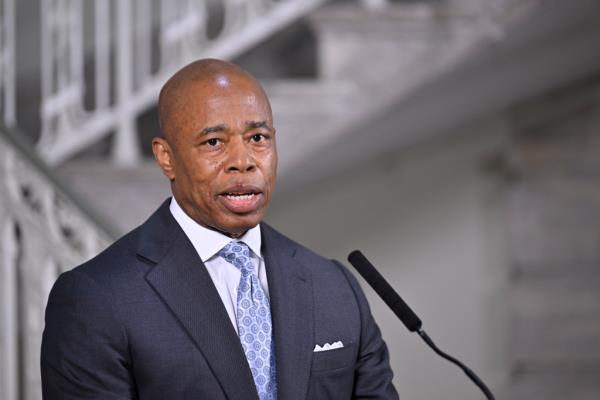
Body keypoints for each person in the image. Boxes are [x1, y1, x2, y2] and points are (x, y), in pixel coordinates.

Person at [41, 59, 399, 400]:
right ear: (167, 158)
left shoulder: (335, 286)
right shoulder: (96, 299)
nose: (243, 162)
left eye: (258, 138)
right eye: (213, 142)